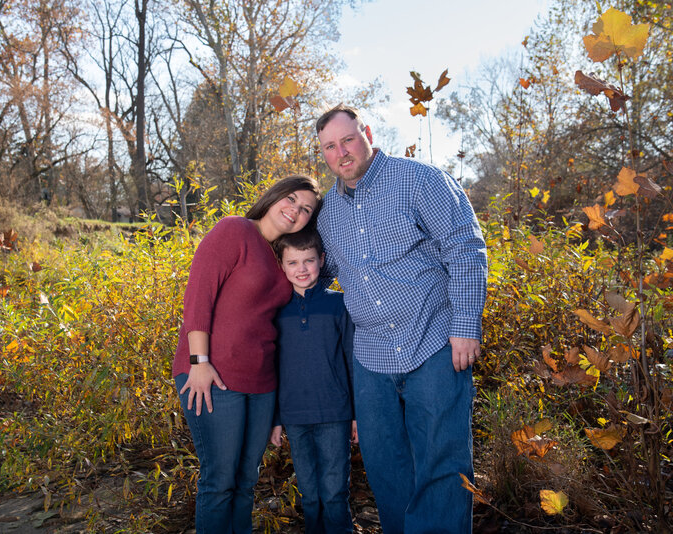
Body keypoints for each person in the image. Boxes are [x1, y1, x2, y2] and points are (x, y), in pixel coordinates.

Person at [314, 104, 487, 534]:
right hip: (371, 357)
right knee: (385, 466)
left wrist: (466, 326)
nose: (342, 153)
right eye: (330, 147)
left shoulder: (419, 180)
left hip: (434, 342)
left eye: (348, 139)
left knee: (441, 460)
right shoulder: (329, 213)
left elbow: (465, 248)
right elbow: (319, 272)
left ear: (367, 133)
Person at [173, 175, 321, 534]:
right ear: (273, 197)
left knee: (245, 481)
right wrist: (199, 362)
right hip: (213, 374)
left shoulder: (283, 258)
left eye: (305, 210)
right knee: (219, 480)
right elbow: (198, 298)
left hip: (262, 384)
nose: (295, 211)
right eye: (291, 199)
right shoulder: (234, 230)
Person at [268, 228, 357, 534]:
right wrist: (276, 419)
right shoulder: (277, 311)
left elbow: (351, 360)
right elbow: (273, 369)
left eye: (308, 260)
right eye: (293, 262)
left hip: (335, 412)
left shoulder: (339, 305)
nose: (302, 269)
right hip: (295, 415)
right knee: (309, 493)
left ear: (322, 260)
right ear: (281, 265)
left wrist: (356, 414)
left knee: (334, 492)